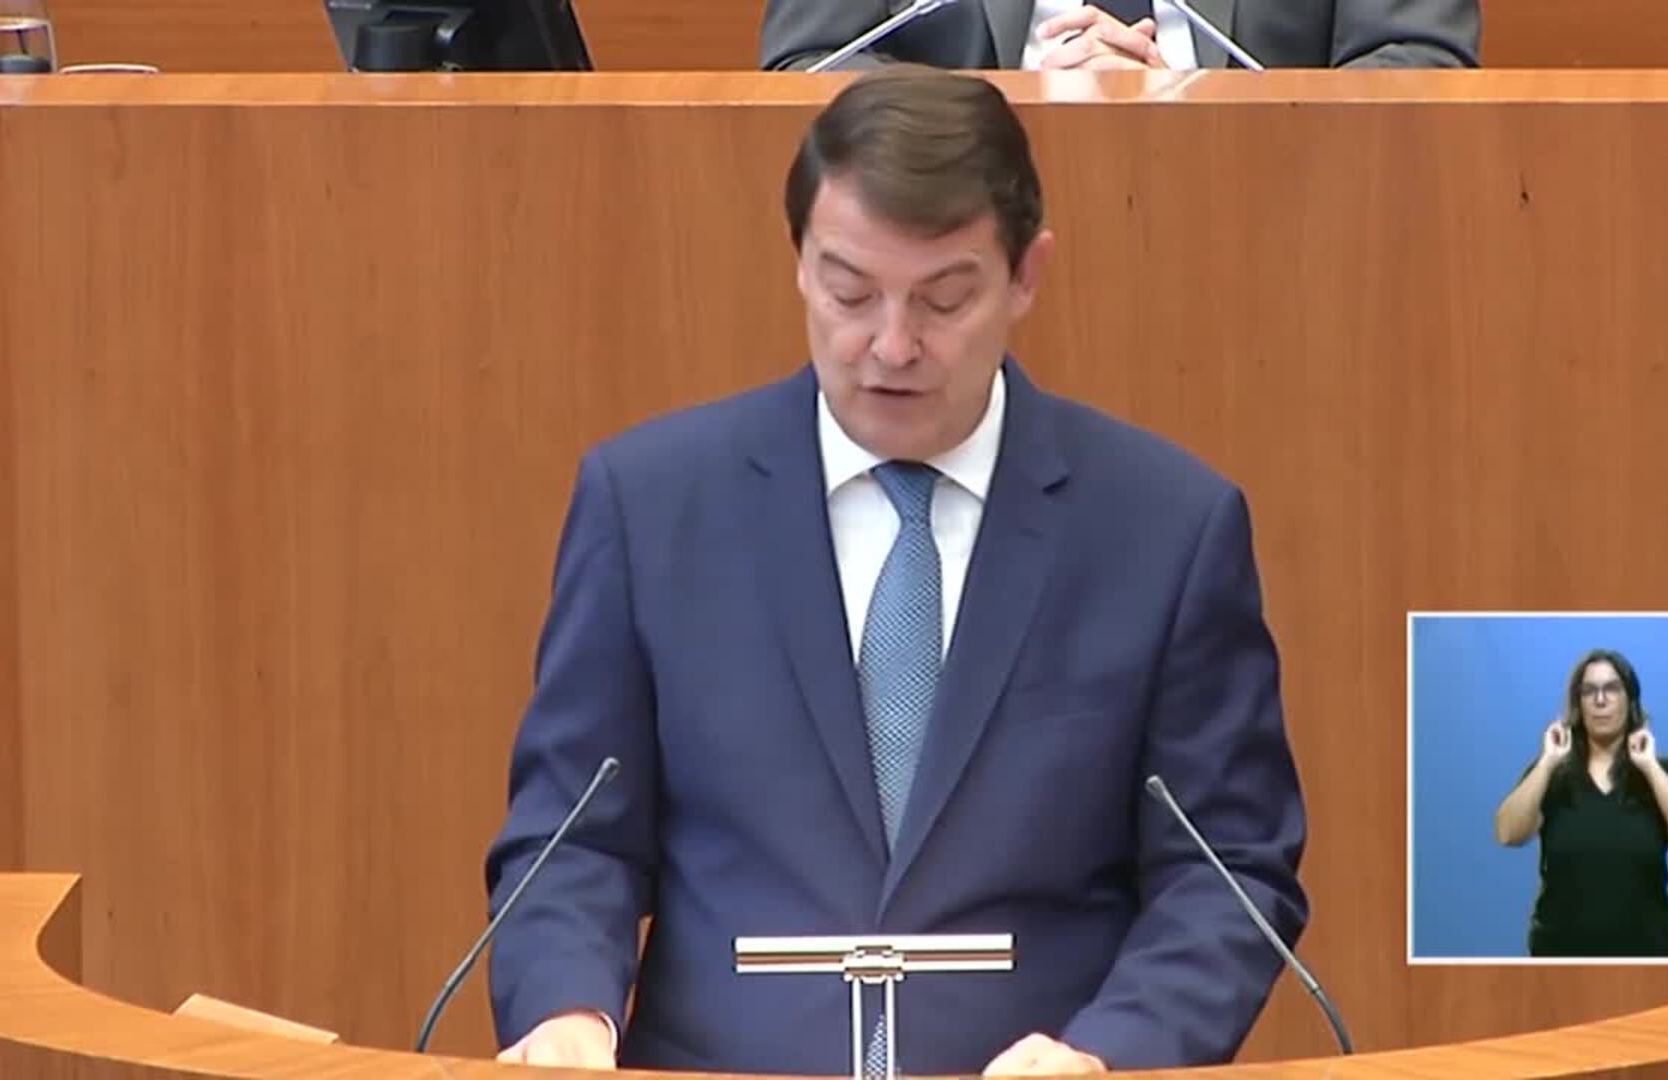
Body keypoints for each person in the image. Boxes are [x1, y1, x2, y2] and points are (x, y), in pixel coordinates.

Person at [483, 66, 1308, 1073]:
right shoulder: (651, 504)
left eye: (943, 299)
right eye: (850, 292)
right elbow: (574, 834)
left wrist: (1111, 1051)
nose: (892, 344)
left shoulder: (1164, 527)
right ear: (799, 263)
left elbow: (1226, 871)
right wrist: (569, 1012)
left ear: (1027, 275)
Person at [1493, 649, 1668, 957]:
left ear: (1630, 700)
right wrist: (1547, 762)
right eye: (1589, 691)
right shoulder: (1554, 774)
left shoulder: (1662, 772)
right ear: (1578, 703)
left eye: (1611, 689)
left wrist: (1649, 766)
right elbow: (1508, 834)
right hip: (1559, 955)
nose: (1600, 700)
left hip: (1647, 955)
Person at [761, 0, 1480, 73]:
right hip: (943, 227)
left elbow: (1423, 59)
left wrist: (1197, 109)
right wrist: (993, 112)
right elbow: (806, 64)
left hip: (1273, 226)